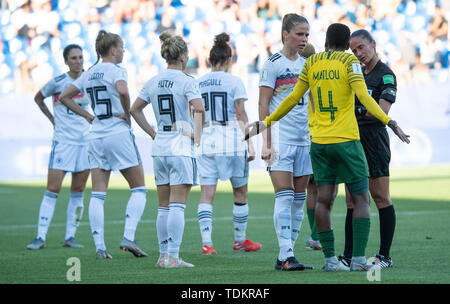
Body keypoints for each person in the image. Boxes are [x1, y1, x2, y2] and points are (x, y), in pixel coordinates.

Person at [245, 23, 410, 272]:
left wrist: (266, 122)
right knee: (362, 199)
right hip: (346, 141)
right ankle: (357, 260)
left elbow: (291, 98)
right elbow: (365, 98)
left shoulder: (311, 63)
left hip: (320, 143)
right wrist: (390, 122)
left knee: (324, 200)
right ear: (346, 45)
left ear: (326, 41)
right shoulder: (349, 63)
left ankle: (332, 260)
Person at [59, 30, 148, 260]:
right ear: (112, 49)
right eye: (121, 47)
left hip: (96, 133)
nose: (123, 51)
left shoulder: (88, 74)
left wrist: (86, 115)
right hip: (117, 132)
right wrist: (127, 114)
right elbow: (122, 90)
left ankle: (100, 247)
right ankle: (128, 236)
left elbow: (65, 97)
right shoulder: (117, 70)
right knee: (139, 189)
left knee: (98, 194)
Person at [130, 31, 205, 268]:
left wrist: (153, 133)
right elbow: (200, 109)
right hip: (180, 146)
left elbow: (135, 110)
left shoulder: (153, 81)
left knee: (163, 205)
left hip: (160, 146)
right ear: (183, 56)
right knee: (178, 204)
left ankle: (163, 255)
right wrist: (197, 135)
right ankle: (172, 256)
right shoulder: (187, 81)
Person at [195, 32, 260, 256]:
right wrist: (250, 143)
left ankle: (207, 244)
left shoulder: (199, 82)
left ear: (210, 60)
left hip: (208, 142)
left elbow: (196, 113)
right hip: (231, 141)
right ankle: (239, 240)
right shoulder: (235, 81)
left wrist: (196, 140)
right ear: (229, 59)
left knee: (207, 194)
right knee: (240, 192)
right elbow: (240, 112)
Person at [339, 29, 398, 269]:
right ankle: (349, 255)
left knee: (381, 197)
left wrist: (356, 111)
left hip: (374, 141)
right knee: (351, 201)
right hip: (353, 140)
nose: (358, 54)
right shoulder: (355, 73)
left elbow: (381, 112)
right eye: (353, 51)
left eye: (361, 48)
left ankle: (384, 256)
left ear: (373, 44)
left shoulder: (385, 75)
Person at [258, 13, 313, 271]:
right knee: (284, 194)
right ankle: (287, 254)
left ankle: (286, 255)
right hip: (281, 138)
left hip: (304, 139)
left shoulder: (307, 65)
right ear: (285, 34)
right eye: (299, 34)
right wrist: (265, 141)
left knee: (299, 198)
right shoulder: (272, 64)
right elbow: (263, 103)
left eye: (306, 35)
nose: (303, 39)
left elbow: (312, 104)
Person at [27, 44, 90, 250]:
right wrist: (52, 119)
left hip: (85, 142)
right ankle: (40, 236)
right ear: (66, 61)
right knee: (53, 189)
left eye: (80, 57)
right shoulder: (58, 82)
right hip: (63, 142)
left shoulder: (89, 81)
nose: (78, 61)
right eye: (73, 58)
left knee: (78, 190)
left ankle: (70, 237)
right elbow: (38, 98)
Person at [300, 43, 322, 251]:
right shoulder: (315, 77)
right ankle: (317, 235)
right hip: (316, 135)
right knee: (324, 188)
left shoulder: (295, 78)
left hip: (299, 137)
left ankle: (314, 235)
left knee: (310, 190)